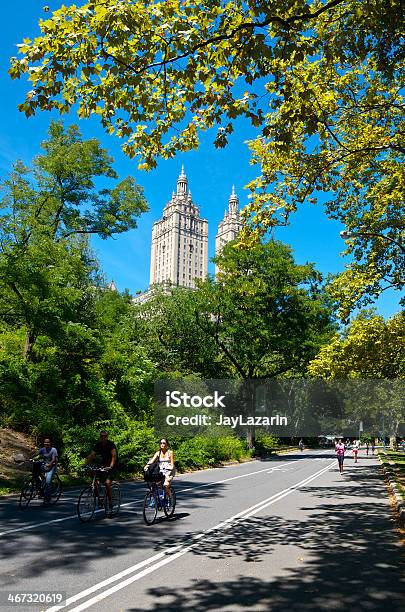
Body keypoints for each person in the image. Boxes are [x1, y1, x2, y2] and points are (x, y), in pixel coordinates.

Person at [85, 431, 118, 517]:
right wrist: (85, 464)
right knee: (93, 474)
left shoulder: (111, 444)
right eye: (101, 436)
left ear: (107, 437)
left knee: (107, 483)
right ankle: (99, 497)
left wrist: (110, 466)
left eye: (105, 436)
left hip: (112, 466)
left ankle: (110, 505)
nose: (103, 438)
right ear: (100, 437)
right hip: (103, 465)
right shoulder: (98, 445)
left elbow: (114, 456)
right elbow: (92, 455)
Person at [37, 438, 58, 504]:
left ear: (50, 443)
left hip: (52, 467)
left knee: (48, 481)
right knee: (37, 471)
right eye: (45, 442)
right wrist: (29, 457)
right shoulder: (42, 449)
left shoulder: (53, 450)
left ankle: (48, 498)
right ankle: (41, 487)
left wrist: (50, 464)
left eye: (48, 442)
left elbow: (54, 459)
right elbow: (36, 453)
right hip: (44, 466)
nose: (46, 444)